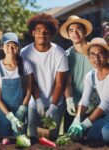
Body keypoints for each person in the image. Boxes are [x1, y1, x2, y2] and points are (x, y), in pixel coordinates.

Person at [21, 13, 69, 141]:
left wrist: (53, 106)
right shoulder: (25, 53)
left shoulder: (60, 53)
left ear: (51, 34)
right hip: (34, 102)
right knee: (33, 138)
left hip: (56, 101)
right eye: (38, 31)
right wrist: (37, 100)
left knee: (51, 139)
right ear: (33, 33)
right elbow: (30, 81)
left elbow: (59, 83)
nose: (42, 34)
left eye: (46, 32)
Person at [0, 32, 32, 140]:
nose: (10, 48)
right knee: (2, 142)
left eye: (14, 45)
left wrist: (21, 112)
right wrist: (11, 117)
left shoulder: (25, 65)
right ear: (2, 47)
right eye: (7, 45)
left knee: (20, 142)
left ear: (18, 48)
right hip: (2, 114)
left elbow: (28, 91)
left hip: (20, 112)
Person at [68, 38, 109, 145]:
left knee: (106, 133)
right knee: (91, 137)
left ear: (107, 55)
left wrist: (84, 125)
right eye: (92, 54)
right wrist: (77, 119)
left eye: (100, 54)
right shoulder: (91, 75)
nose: (96, 58)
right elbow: (85, 100)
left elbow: (105, 104)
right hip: (107, 116)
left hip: (105, 110)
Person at [59, 15, 95, 132]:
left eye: (78, 28)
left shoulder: (96, 52)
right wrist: (69, 101)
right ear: (68, 35)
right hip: (74, 108)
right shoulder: (66, 56)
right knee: (68, 142)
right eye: (71, 30)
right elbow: (67, 83)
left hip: (94, 106)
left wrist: (94, 100)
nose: (75, 33)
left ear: (84, 31)